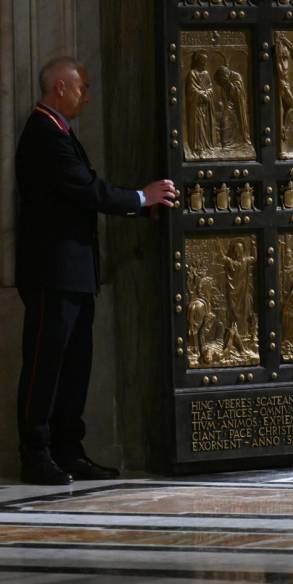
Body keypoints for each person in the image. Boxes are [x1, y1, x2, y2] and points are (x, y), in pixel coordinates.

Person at [15, 56, 177, 485]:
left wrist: (143, 207)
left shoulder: (60, 132)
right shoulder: (43, 134)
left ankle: (69, 450)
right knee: (45, 365)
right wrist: (141, 198)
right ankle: (36, 453)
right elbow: (86, 190)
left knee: (75, 366)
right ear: (61, 88)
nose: (87, 95)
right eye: (82, 87)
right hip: (53, 274)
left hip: (74, 273)